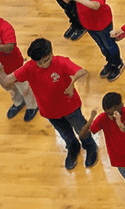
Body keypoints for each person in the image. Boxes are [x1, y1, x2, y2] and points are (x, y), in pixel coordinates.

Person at [13, 37, 97, 170]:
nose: (41, 65)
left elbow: (82, 72)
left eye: (45, 61)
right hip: (50, 111)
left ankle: (90, 146)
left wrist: (71, 83)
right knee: (64, 133)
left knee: (81, 128)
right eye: (38, 63)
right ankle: (73, 148)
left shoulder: (61, 62)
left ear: (51, 54)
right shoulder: (29, 67)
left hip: (71, 107)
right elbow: (8, 80)